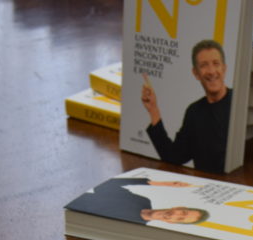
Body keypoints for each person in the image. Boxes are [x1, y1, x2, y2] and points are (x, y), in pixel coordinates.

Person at [141, 39, 232, 173]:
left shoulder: (239, 103)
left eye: (216, 64)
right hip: (204, 185)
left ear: (224, 69)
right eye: (204, 65)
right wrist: (153, 110)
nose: (211, 71)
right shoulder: (194, 112)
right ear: (196, 73)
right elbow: (173, 156)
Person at [65, 176, 209, 225]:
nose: (175, 216)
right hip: (71, 199)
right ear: (178, 207)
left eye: (180, 219)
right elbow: (107, 186)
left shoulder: (136, 226)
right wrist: (164, 183)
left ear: (173, 223)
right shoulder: (141, 200)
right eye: (182, 213)